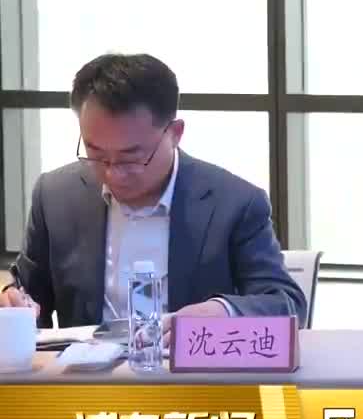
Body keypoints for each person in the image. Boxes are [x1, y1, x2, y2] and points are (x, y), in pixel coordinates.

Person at [0, 53, 306, 329]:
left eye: (131, 157)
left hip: (187, 371)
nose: (113, 172)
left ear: (175, 133)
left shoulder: (235, 203)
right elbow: (27, 293)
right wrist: (9, 296)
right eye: (96, 153)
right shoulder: (55, 195)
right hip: (85, 373)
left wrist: (223, 311)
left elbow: (286, 303)